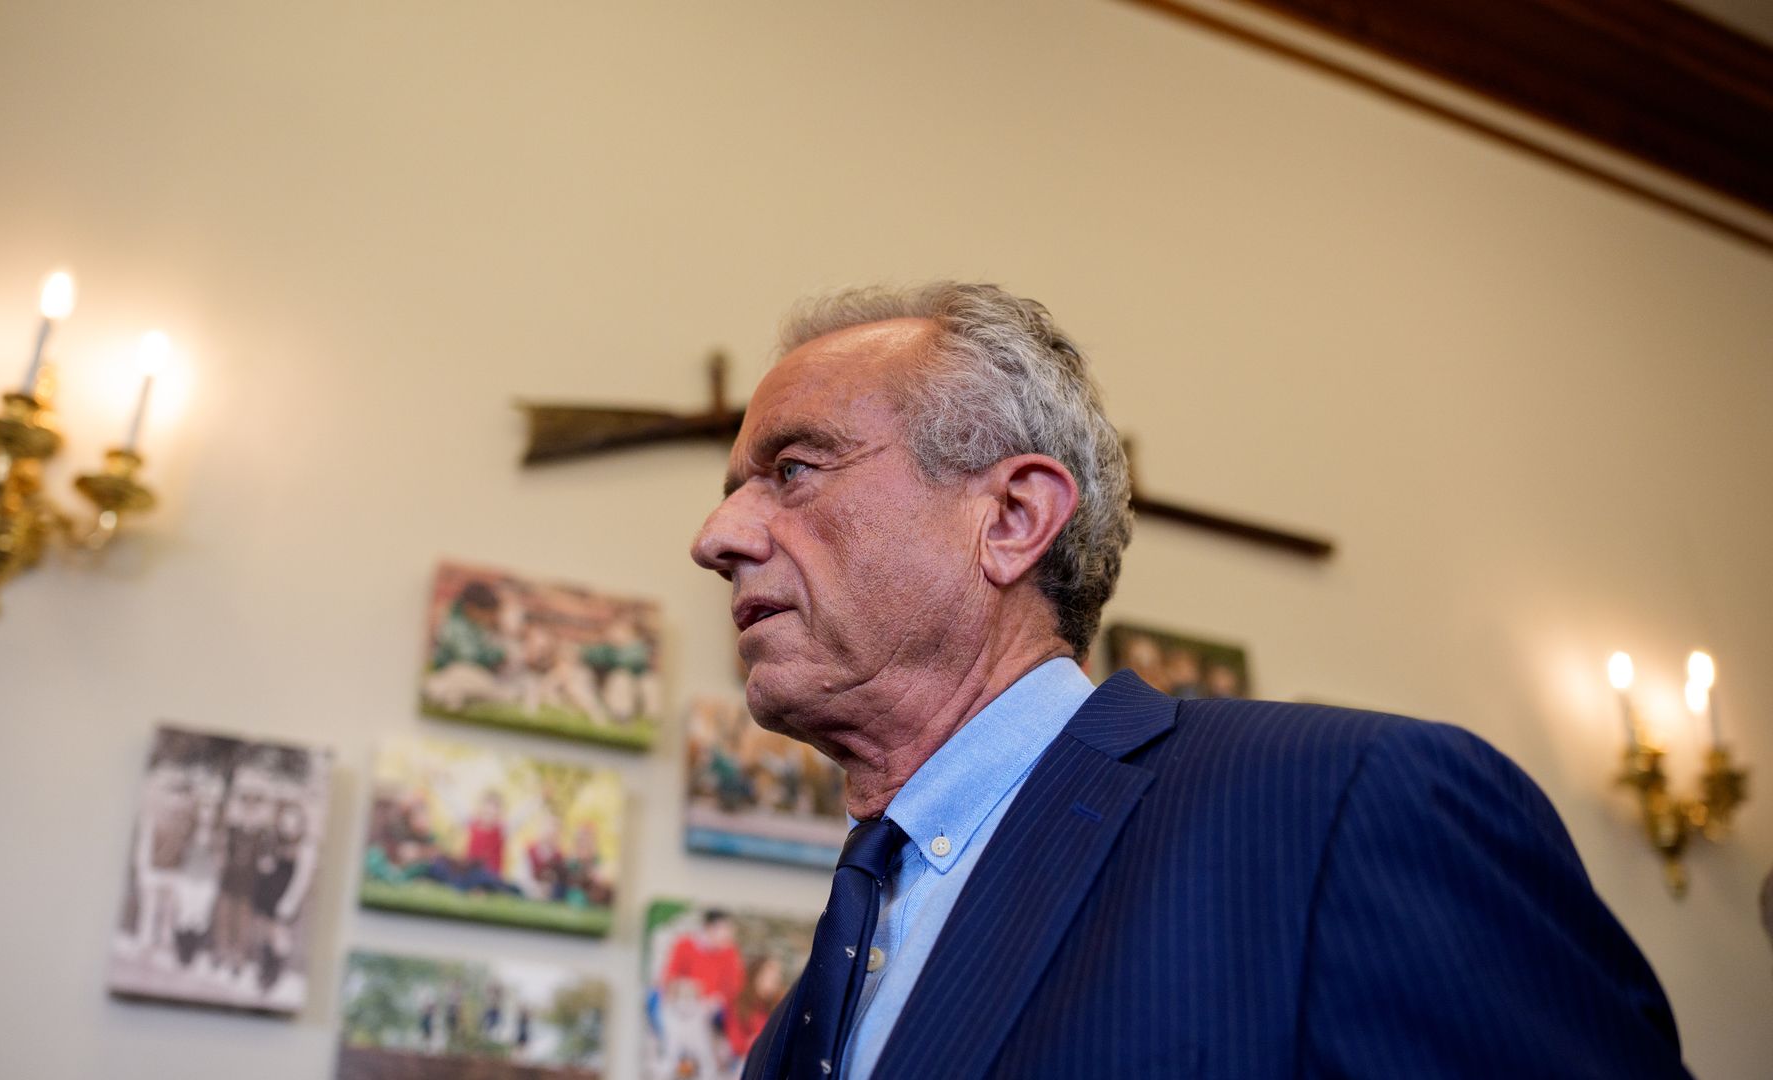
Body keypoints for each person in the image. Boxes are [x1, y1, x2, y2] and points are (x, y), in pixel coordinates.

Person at [689, 282, 1689, 1079]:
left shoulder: (1343, 811)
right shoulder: (829, 981)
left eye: (792, 470)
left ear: (1010, 519)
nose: (717, 537)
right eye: (735, 490)